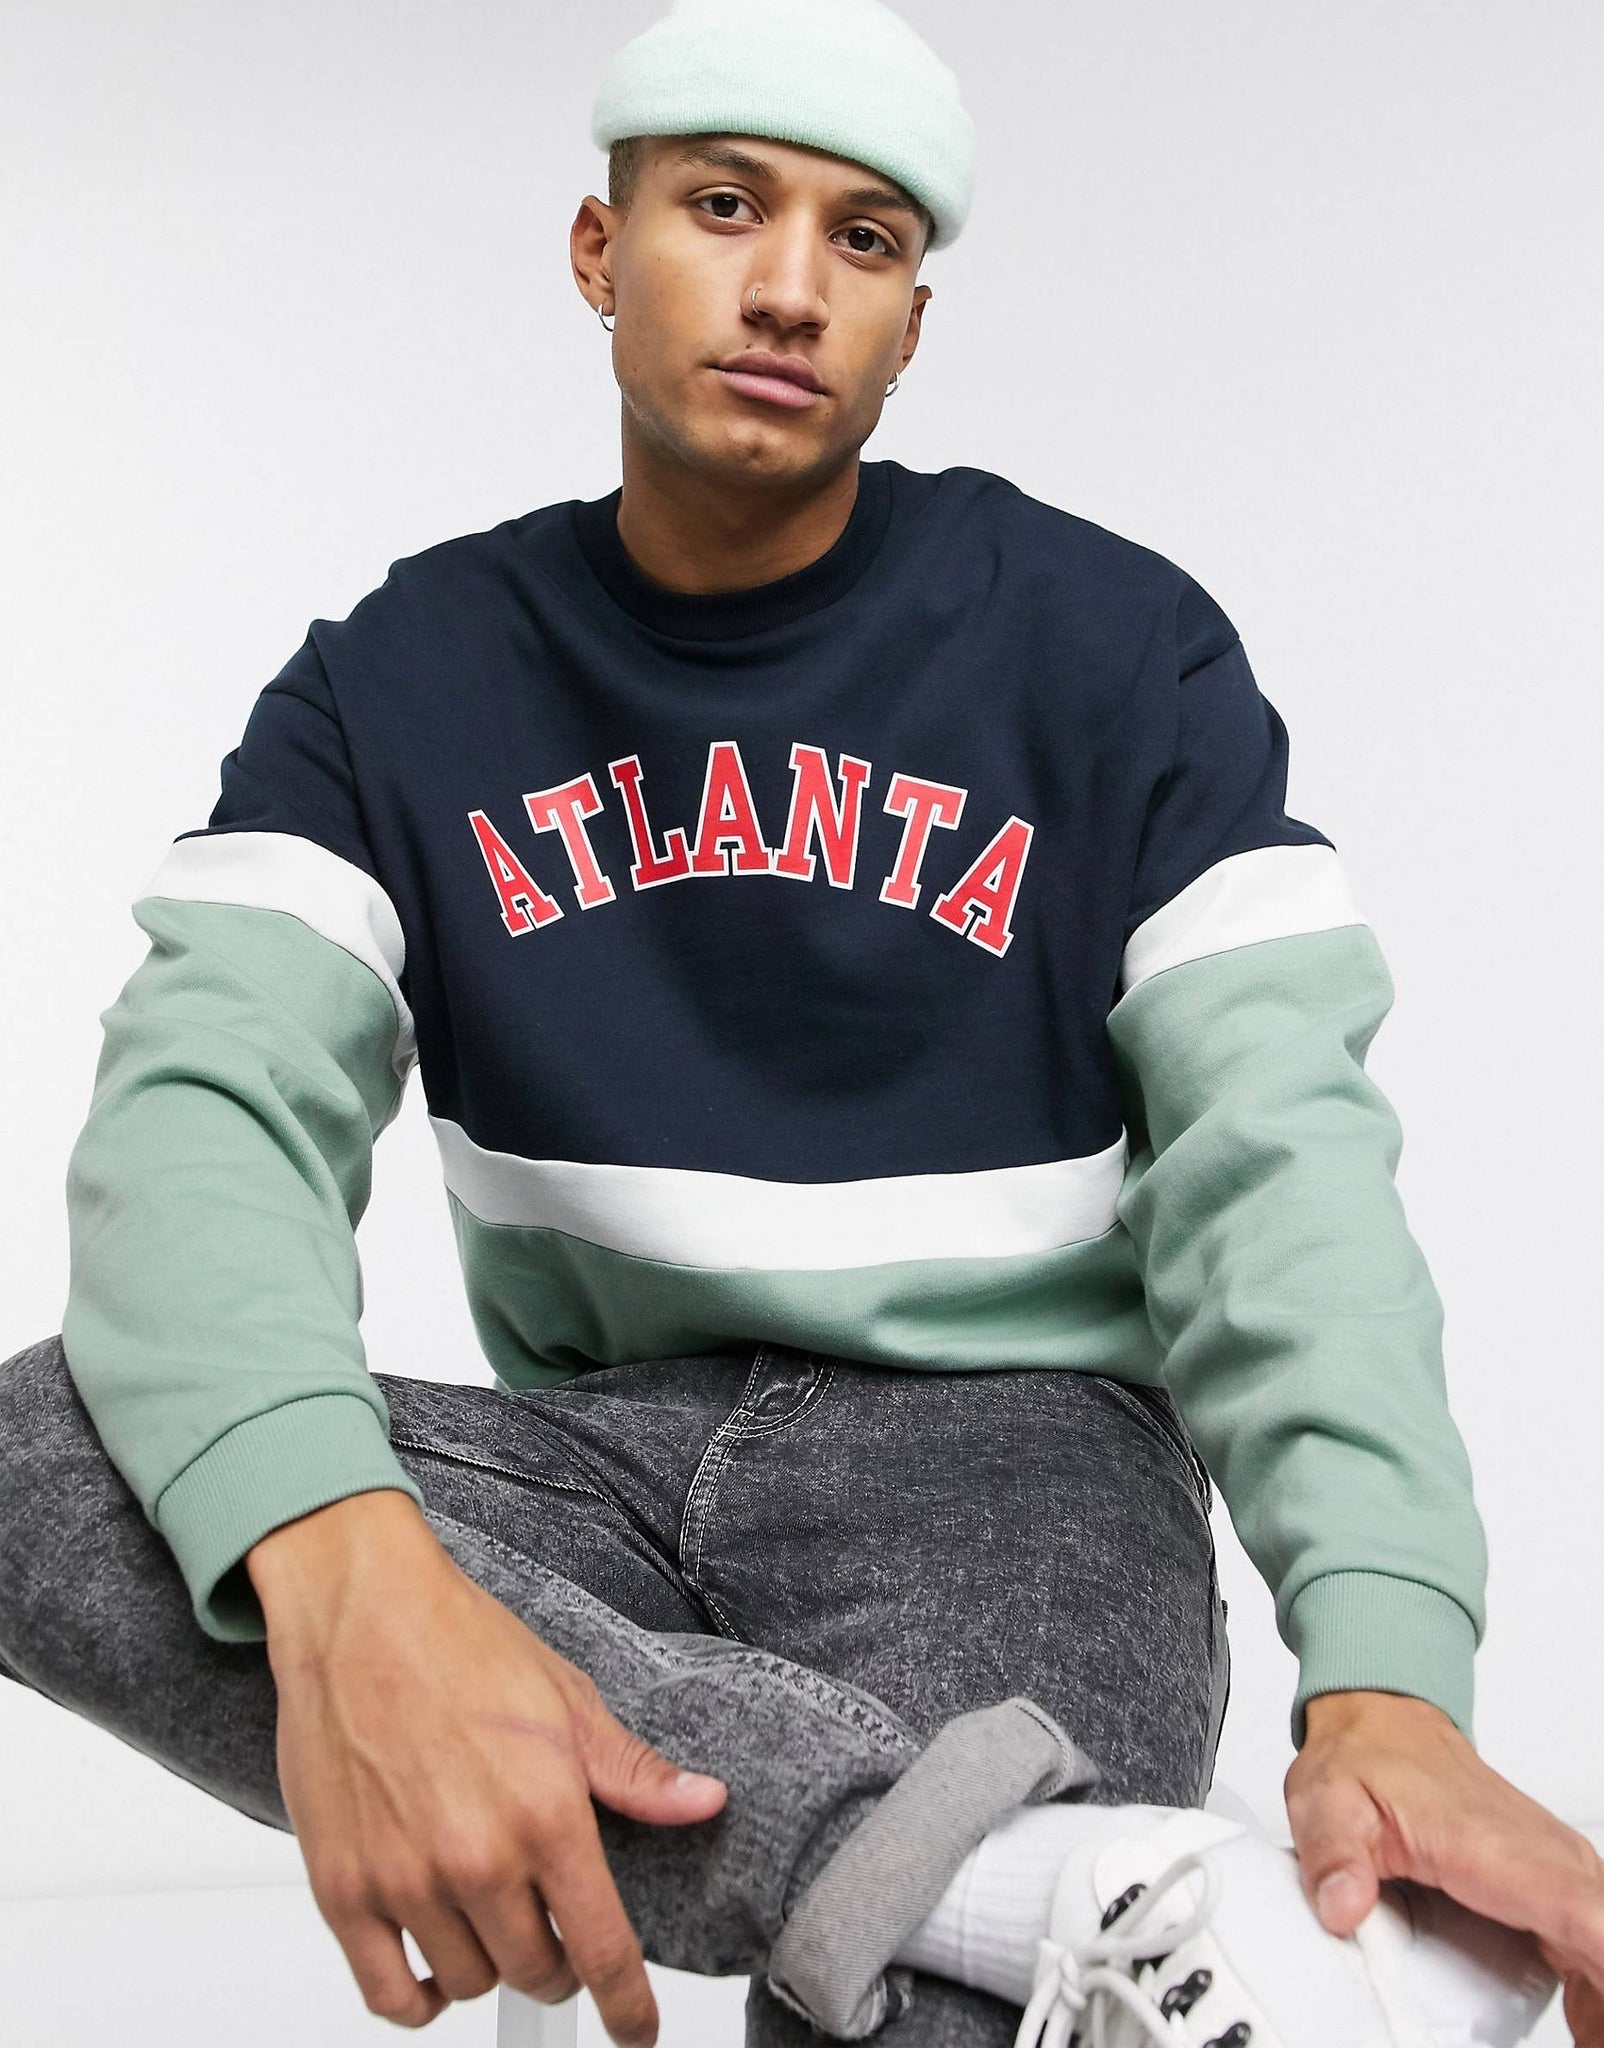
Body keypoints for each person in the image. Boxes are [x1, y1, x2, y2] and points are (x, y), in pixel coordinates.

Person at [2, 1, 1600, 2043]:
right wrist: (348, 1574)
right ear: (599, 250)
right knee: (45, 1455)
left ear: (911, 321)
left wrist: (1386, 1682)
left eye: (862, 240)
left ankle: (919, 1890)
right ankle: (1031, 1886)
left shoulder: (1116, 652)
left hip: (1020, 1462)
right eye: (724, 205)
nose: (786, 288)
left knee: (924, 2023)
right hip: (594, 1456)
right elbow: (200, 1127)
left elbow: (1283, 1174)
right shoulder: (395, 683)